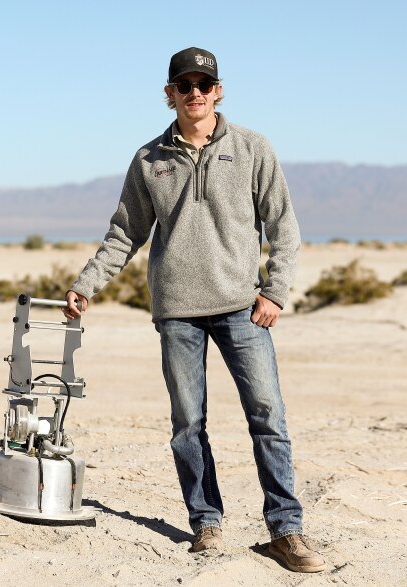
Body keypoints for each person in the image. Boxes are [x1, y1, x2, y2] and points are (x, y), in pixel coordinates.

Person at [62, 47, 325, 573]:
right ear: (170, 95)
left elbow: (284, 228)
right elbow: (125, 233)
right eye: (185, 85)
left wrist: (275, 292)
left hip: (242, 309)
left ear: (219, 91)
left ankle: (286, 531)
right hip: (177, 311)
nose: (195, 93)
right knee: (188, 423)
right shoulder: (149, 159)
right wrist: (87, 283)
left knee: (268, 417)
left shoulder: (252, 148)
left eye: (204, 83)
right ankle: (206, 522)